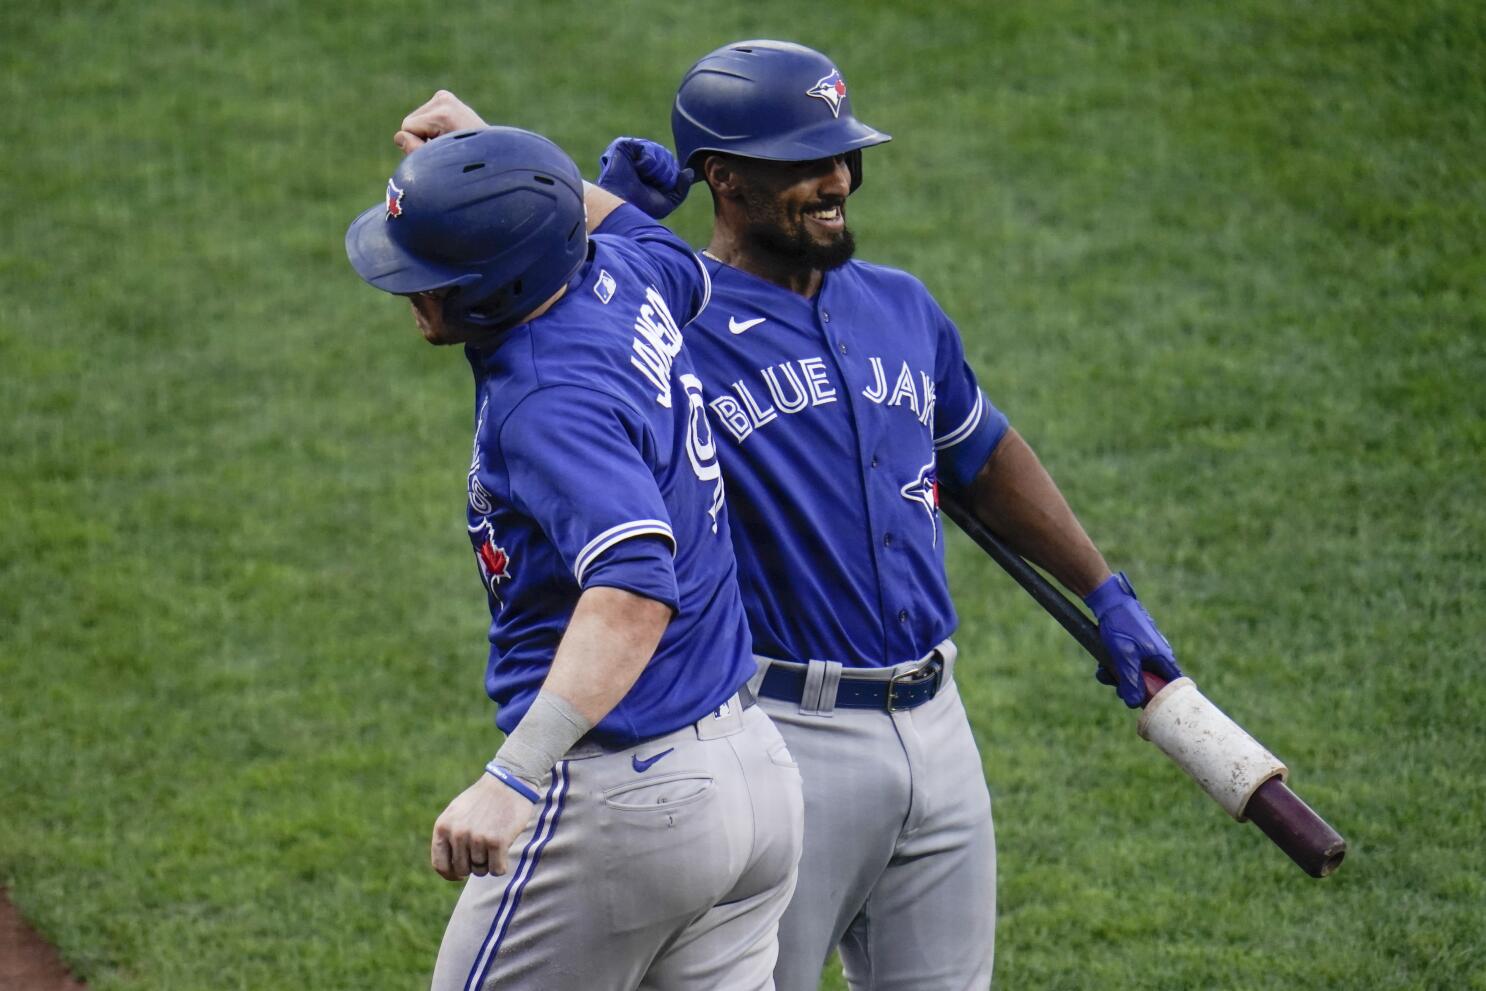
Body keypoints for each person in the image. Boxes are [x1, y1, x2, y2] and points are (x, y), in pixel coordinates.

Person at [395, 41, 1181, 990]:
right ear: (721, 178)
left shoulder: (900, 305)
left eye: (844, 155)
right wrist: (506, 162)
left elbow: (978, 452)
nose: (837, 179)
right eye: (806, 163)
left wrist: (1104, 590)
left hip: (937, 719)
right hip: (785, 728)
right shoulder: (673, 314)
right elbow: (562, 265)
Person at [346, 124, 804, 991]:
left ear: (493, 287)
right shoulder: (618, 273)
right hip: (754, 778)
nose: (407, 291)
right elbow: (665, 248)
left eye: (429, 274)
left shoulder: (548, 399)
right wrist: (496, 149)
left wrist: (513, 777)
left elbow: (633, 589)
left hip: (623, 804)